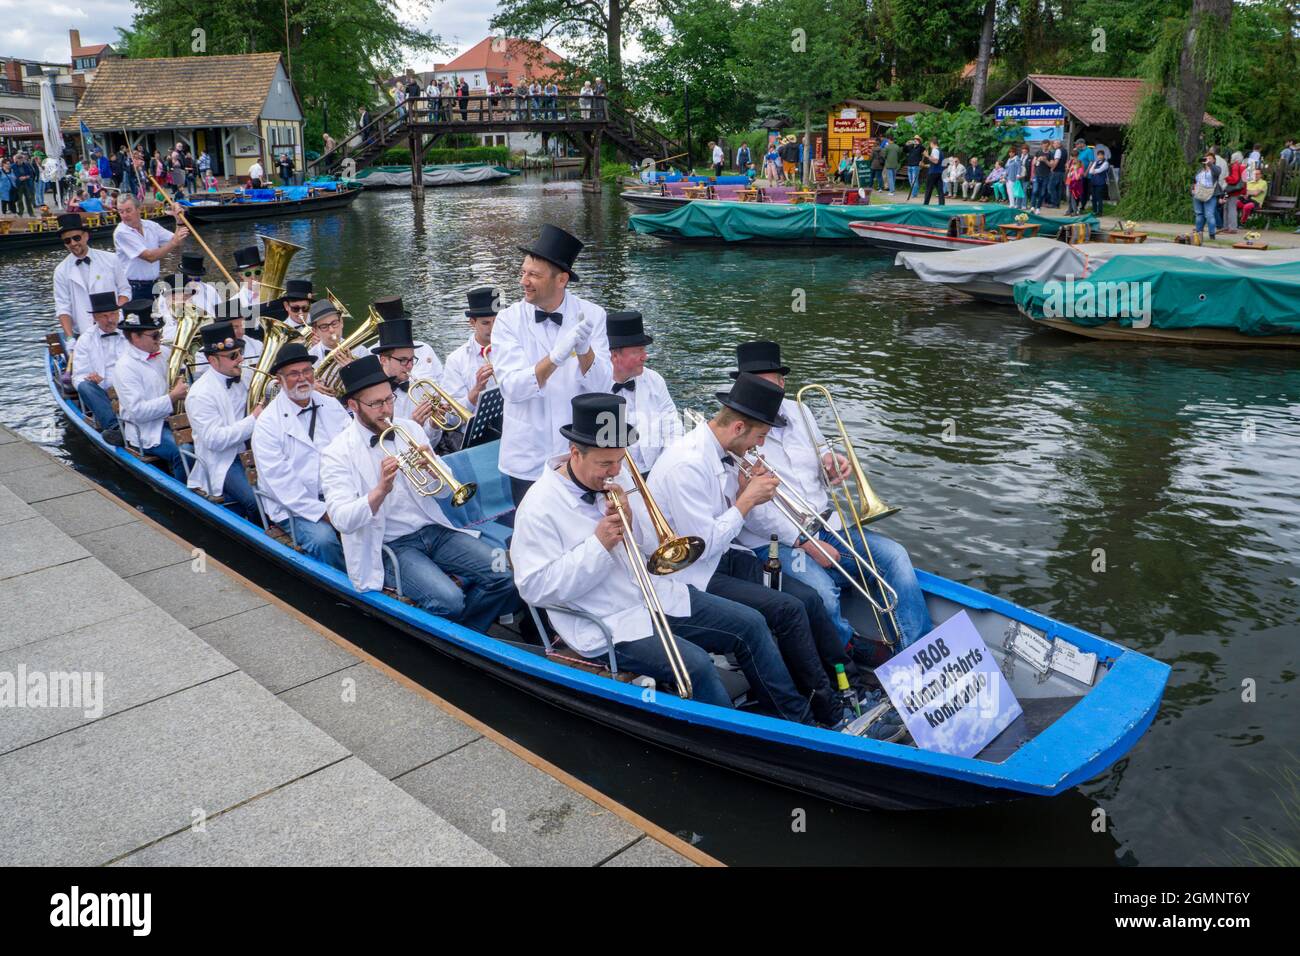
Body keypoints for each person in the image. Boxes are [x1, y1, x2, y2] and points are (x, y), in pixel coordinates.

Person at [511, 392, 813, 719]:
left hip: (655, 595)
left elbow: (652, 546)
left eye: (620, 460)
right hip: (605, 621)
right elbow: (533, 589)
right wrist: (598, 546)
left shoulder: (619, 475)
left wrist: (633, 521)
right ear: (575, 453)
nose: (615, 471)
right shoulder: (538, 507)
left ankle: (795, 720)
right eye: (605, 464)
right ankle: (735, 737)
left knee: (752, 624)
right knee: (696, 665)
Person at [646, 373, 870, 729]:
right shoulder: (687, 465)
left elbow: (721, 527)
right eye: (759, 438)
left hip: (724, 554)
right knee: (786, 610)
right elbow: (701, 548)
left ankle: (850, 689)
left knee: (808, 599)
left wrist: (741, 491)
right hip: (692, 572)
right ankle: (816, 714)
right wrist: (746, 502)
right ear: (738, 428)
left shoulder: (724, 453)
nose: (758, 448)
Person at [727, 342, 932, 663]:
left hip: (827, 525)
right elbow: (752, 511)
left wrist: (830, 462)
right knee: (822, 594)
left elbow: (821, 455)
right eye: (766, 384)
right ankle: (848, 651)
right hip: (777, 543)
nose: (776, 390)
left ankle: (918, 652)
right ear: (745, 385)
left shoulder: (800, 411)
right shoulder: (737, 430)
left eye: (778, 383)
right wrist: (805, 542)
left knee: (895, 556)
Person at [320, 355, 520, 625]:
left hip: (435, 530)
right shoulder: (337, 453)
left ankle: (466, 631)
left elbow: (446, 492)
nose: (386, 410)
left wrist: (430, 470)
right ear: (353, 405)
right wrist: (380, 491)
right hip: (391, 545)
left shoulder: (410, 428)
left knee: (505, 572)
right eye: (376, 403)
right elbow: (342, 519)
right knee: (448, 600)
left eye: (389, 399)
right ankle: (458, 633)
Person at [492, 224, 612, 507]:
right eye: (523, 272)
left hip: (575, 456)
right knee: (529, 537)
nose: (524, 281)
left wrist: (585, 352)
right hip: (526, 456)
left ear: (561, 280)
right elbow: (511, 388)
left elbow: (603, 388)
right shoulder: (508, 320)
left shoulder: (593, 314)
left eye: (534, 274)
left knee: (576, 532)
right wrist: (556, 357)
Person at [250, 341, 350, 568]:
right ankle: (341, 584)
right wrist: (331, 516)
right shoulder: (266, 424)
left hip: (338, 493)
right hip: (295, 507)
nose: (303, 378)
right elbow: (284, 488)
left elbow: (352, 449)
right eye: (294, 374)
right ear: (280, 380)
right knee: (324, 540)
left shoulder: (331, 404)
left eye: (307, 370)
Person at [184, 321, 264, 517]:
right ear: (212, 360)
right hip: (225, 460)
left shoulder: (244, 375)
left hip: (256, 449)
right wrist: (254, 418)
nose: (241, 359)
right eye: (233, 356)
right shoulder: (200, 394)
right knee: (258, 500)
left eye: (240, 352)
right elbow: (215, 440)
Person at [113, 299, 188, 479]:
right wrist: (172, 397)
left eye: (160, 333)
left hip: (173, 420)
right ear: (135, 336)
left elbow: (184, 373)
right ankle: (184, 491)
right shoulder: (124, 367)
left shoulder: (164, 352)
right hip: (147, 429)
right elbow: (138, 412)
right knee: (184, 451)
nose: (160, 338)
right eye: (154, 335)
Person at [605, 311, 681, 474]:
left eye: (644, 350)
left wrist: (667, 467)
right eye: (637, 351)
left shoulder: (655, 380)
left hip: (656, 469)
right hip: (616, 475)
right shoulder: (595, 385)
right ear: (615, 355)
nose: (644, 357)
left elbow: (672, 426)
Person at [369, 315, 451, 451]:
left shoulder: (421, 387)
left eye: (412, 359)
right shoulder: (371, 398)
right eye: (403, 360)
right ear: (383, 360)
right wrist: (412, 426)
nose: (409, 366)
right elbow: (381, 448)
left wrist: (433, 424)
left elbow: (430, 444)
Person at [54, 213, 130, 346]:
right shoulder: (60, 271)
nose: (73, 243)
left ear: (86, 236)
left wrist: (114, 315)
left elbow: (125, 291)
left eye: (76, 238)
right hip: (85, 334)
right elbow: (63, 308)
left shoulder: (111, 259)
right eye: (67, 241)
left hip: (116, 328)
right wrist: (70, 339)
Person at [72, 290, 129, 433]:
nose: (110, 319)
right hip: (103, 391)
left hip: (130, 384)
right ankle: (115, 428)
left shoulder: (130, 333)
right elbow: (78, 377)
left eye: (113, 314)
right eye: (104, 316)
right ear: (95, 317)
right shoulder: (85, 340)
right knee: (85, 386)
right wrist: (90, 377)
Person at [113, 194, 188, 301]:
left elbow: (178, 241)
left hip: (154, 285)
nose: (125, 215)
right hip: (134, 288)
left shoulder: (151, 226)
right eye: (121, 211)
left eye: (128, 210)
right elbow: (150, 257)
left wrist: (179, 221)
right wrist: (173, 243)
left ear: (139, 209)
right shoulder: (121, 232)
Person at [442, 286, 499, 415]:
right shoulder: (456, 360)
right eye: (486, 323)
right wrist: (477, 390)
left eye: (496, 321)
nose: (493, 328)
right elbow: (451, 417)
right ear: (472, 322)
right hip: (475, 430)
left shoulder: (513, 347)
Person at [1192, 152, 1221, 241]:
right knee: (1199, 214)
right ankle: (1198, 234)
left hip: (1210, 195)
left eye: (1210, 158)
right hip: (1198, 194)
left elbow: (1217, 172)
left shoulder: (1216, 169)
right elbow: (1195, 181)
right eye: (1206, 158)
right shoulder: (1200, 170)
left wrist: (1210, 164)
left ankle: (1212, 234)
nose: (1207, 159)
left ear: (1214, 160)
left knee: (1209, 215)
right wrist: (1192, 189)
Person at [1221, 150, 1247, 234]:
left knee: (1230, 208)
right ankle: (1227, 226)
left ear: (1234, 158)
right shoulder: (1242, 167)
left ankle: (1231, 228)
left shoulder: (1235, 166)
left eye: (1232, 157)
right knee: (1227, 207)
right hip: (1235, 190)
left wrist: (1226, 178)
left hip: (1231, 190)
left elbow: (1234, 179)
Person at [921, 138, 945, 205]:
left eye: (930, 144)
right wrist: (924, 165)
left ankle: (925, 204)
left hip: (933, 173)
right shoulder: (941, 151)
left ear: (932, 143)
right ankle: (942, 205)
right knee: (940, 190)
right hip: (939, 172)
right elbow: (934, 163)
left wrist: (927, 156)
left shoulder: (935, 150)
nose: (930, 145)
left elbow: (936, 161)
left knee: (928, 189)